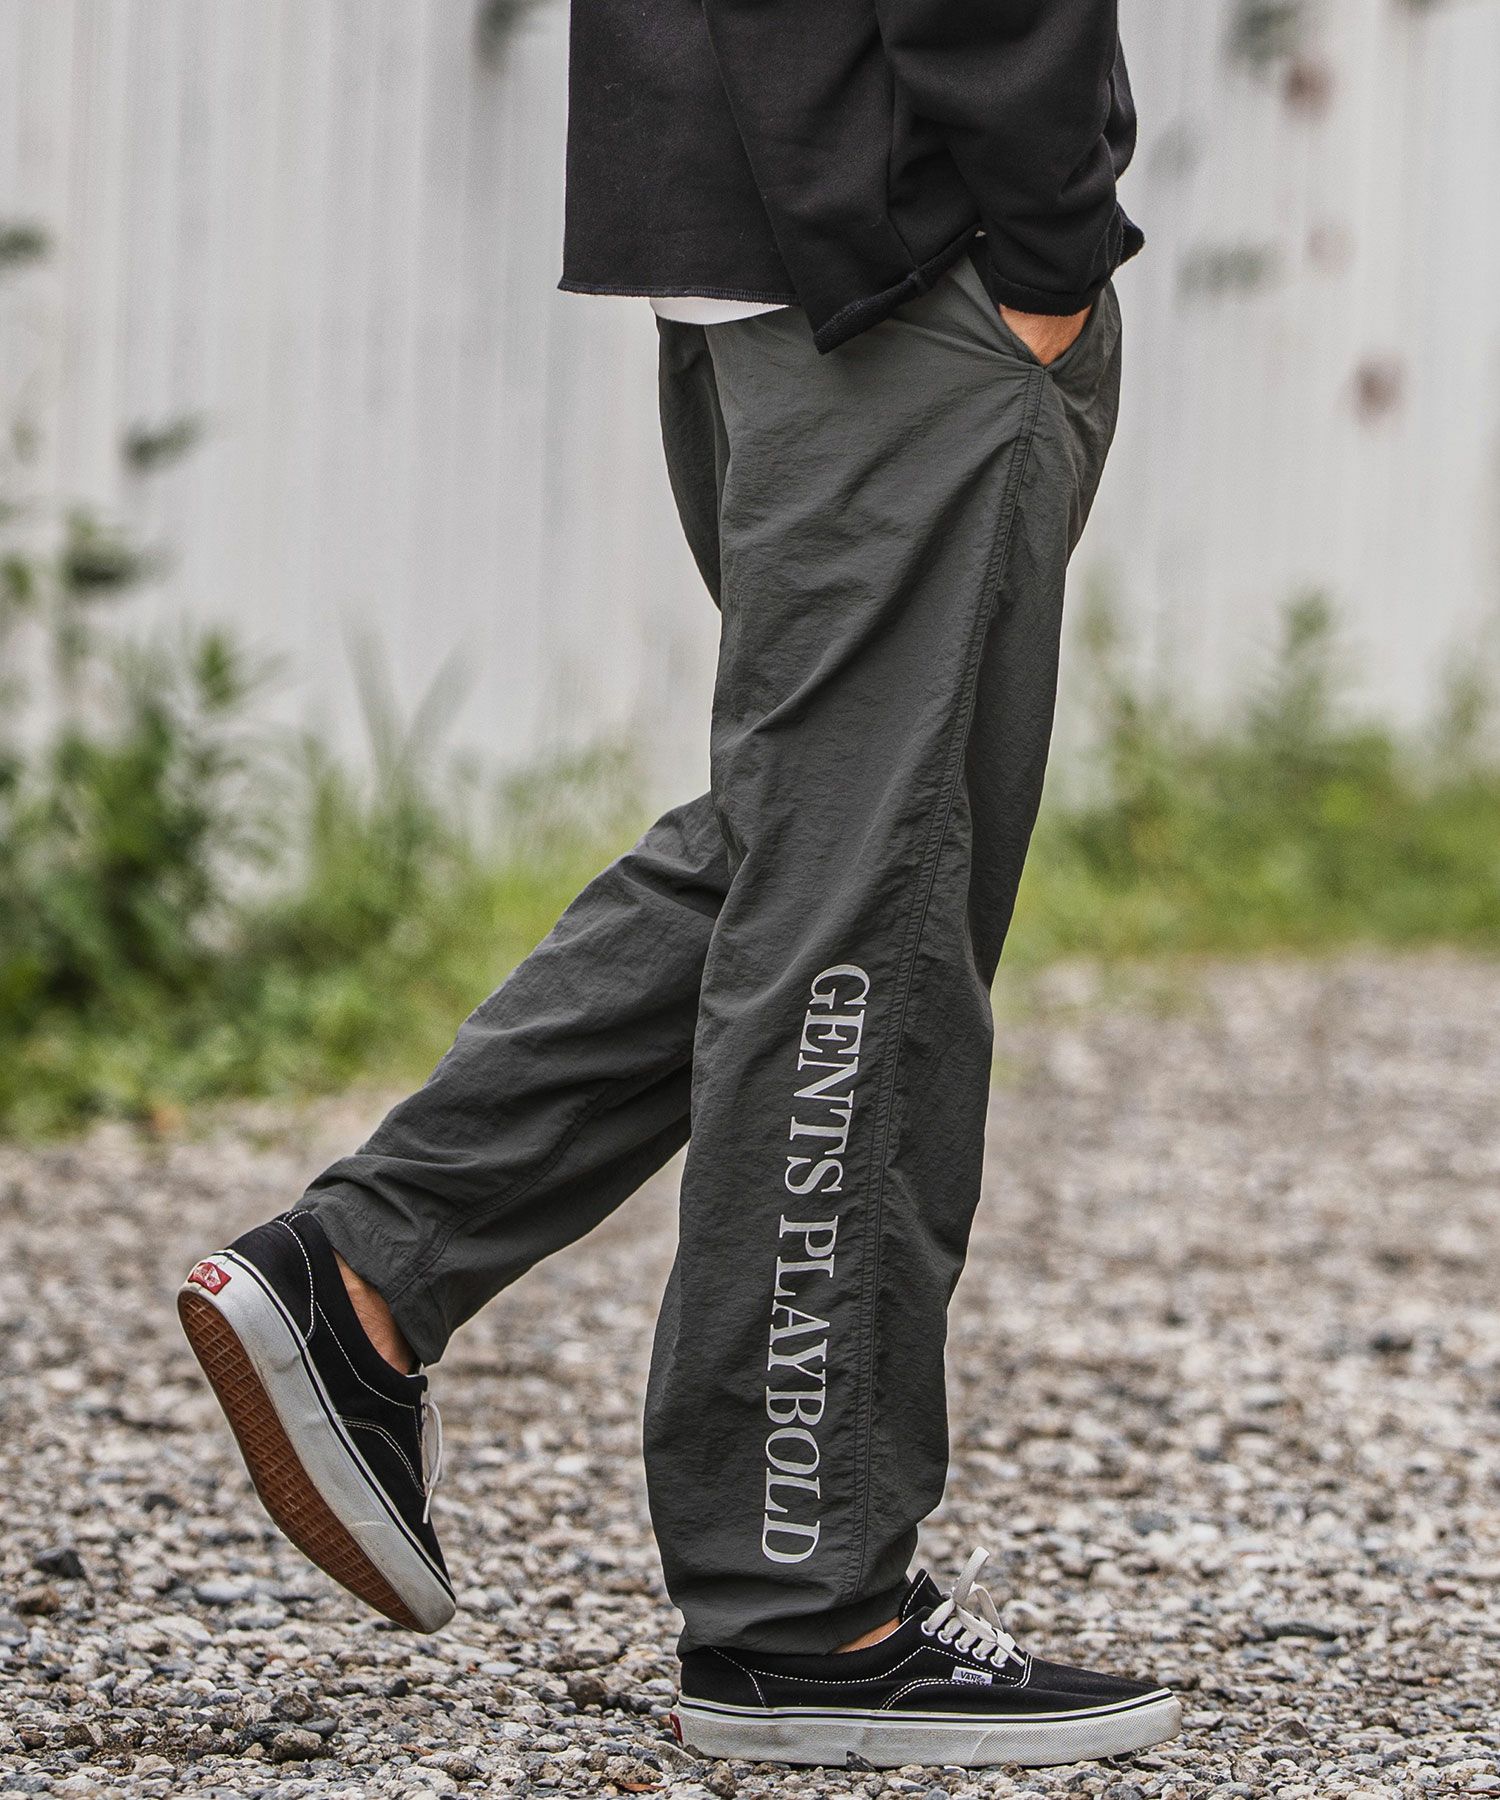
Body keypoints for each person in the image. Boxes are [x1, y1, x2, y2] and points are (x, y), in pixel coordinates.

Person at [178, 0, 1181, 1770]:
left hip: (766, 217)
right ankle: (805, 1615)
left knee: (826, 844)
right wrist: (1049, 232)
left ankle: (363, 1280)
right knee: (862, 906)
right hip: (911, 255)